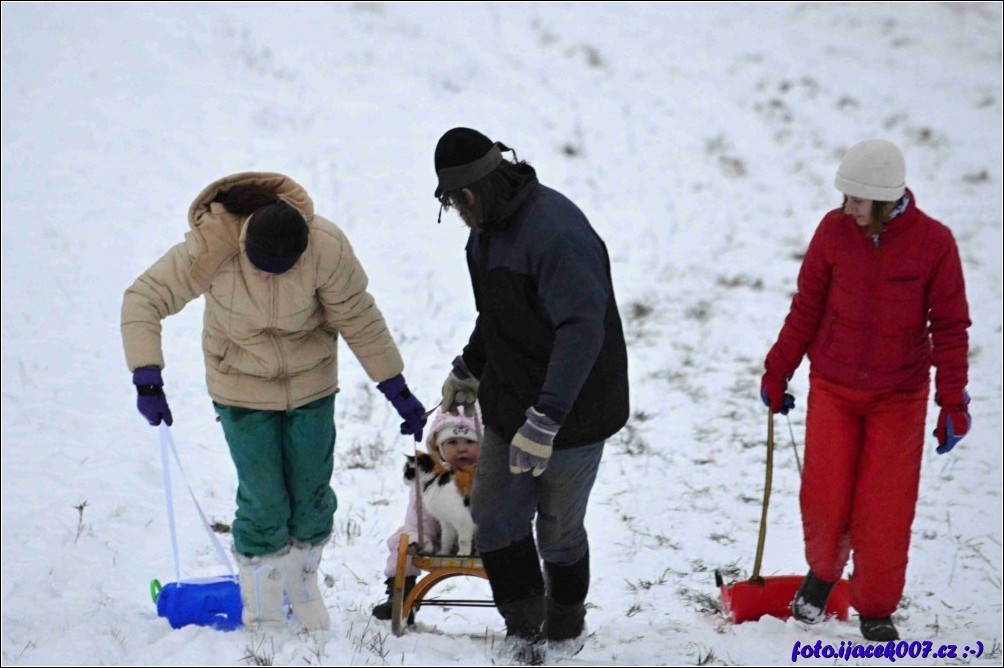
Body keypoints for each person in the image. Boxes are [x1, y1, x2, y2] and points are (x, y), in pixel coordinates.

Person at [121, 172, 428, 631]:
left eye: (280, 270)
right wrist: (147, 377)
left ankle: (302, 590)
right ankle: (263, 608)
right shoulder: (213, 246)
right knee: (265, 502)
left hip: (311, 383)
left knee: (311, 497)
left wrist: (396, 389)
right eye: (261, 267)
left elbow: (359, 317)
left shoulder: (326, 246)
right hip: (240, 383)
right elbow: (144, 298)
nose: (268, 276)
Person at [760, 139, 971, 641]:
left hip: (898, 396)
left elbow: (950, 326)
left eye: (857, 199)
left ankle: (875, 607)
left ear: (883, 200)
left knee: (884, 507)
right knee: (825, 496)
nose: (846, 207)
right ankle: (823, 575)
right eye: (845, 198)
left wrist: (952, 400)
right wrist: (778, 369)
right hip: (834, 387)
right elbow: (807, 306)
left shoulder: (933, 243)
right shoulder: (834, 233)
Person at [432, 127, 630, 663]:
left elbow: (582, 329)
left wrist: (546, 420)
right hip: (510, 401)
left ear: (468, 195)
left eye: (453, 202)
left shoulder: (555, 233)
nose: (456, 212)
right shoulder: (485, 234)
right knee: (497, 520)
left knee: (560, 531)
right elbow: (498, 313)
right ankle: (525, 626)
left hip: (576, 410)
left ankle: (565, 625)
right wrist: (471, 367)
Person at [371, 404, 483, 621]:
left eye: (470, 442)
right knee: (403, 540)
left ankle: (520, 605)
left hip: (485, 540)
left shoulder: (488, 475)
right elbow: (418, 519)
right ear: (437, 446)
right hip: (437, 540)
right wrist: (419, 540)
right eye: (452, 442)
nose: (461, 449)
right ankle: (400, 594)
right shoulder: (427, 479)